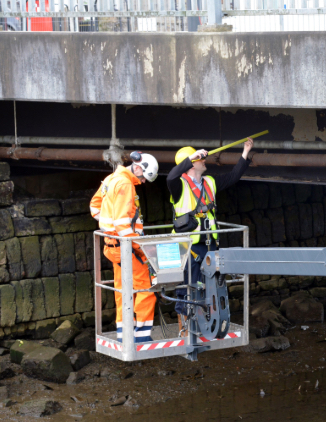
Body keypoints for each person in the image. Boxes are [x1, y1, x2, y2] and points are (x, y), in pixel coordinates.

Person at [167, 139, 254, 335]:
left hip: (209, 243)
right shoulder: (179, 185)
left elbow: (233, 177)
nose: (204, 161)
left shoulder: (210, 182)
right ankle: (185, 328)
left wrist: (245, 152)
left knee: (210, 284)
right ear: (190, 164)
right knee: (186, 286)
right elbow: (170, 177)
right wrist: (191, 157)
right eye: (200, 159)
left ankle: (206, 323)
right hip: (187, 245)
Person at [90, 151, 159, 343]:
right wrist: (142, 247)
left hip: (112, 246)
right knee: (145, 286)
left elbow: (95, 207)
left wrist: (108, 226)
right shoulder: (126, 184)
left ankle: (123, 332)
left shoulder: (111, 179)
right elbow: (122, 225)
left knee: (122, 289)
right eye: (144, 177)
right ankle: (142, 336)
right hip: (125, 246)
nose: (144, 182)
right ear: (138, 168)